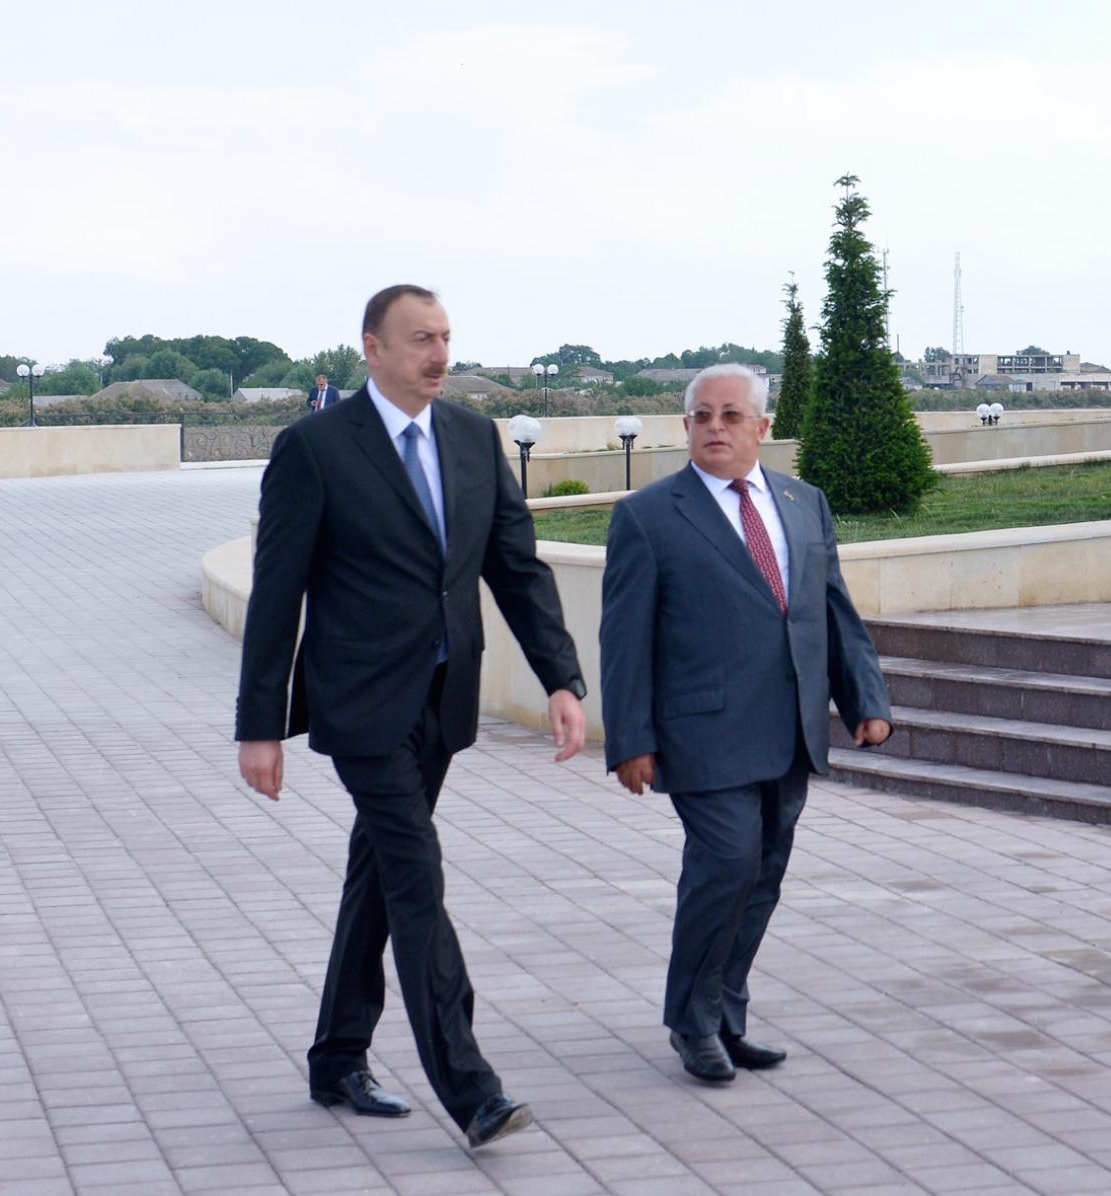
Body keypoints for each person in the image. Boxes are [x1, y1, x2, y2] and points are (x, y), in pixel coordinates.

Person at [236, 284, 588, 1150]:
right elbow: (278, 592)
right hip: (359, 704)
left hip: (442, 698)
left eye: (445, 338)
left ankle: (336, 1056)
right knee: (415, 876)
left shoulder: (473, 436)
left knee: (379, 877)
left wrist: (562, 679)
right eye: (420, 339)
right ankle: (471, 1088)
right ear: (373, 348)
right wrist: (260, 725)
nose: (439, 354)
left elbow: (516, 568)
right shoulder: (315, 448)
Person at [600, 362, 892, 1084]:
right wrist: (630, 740)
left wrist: (866, 700)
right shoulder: (648, 516)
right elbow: (623, 639)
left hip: (788, 727)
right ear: (687, 427)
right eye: (703, 416)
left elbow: (831, 607)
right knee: (725, 865)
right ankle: (691, 1023)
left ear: (762, 427)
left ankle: (726, 1015)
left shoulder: (802, 502)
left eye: (732, 416)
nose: (715, 428)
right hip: (701, 733)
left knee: (762, 875)